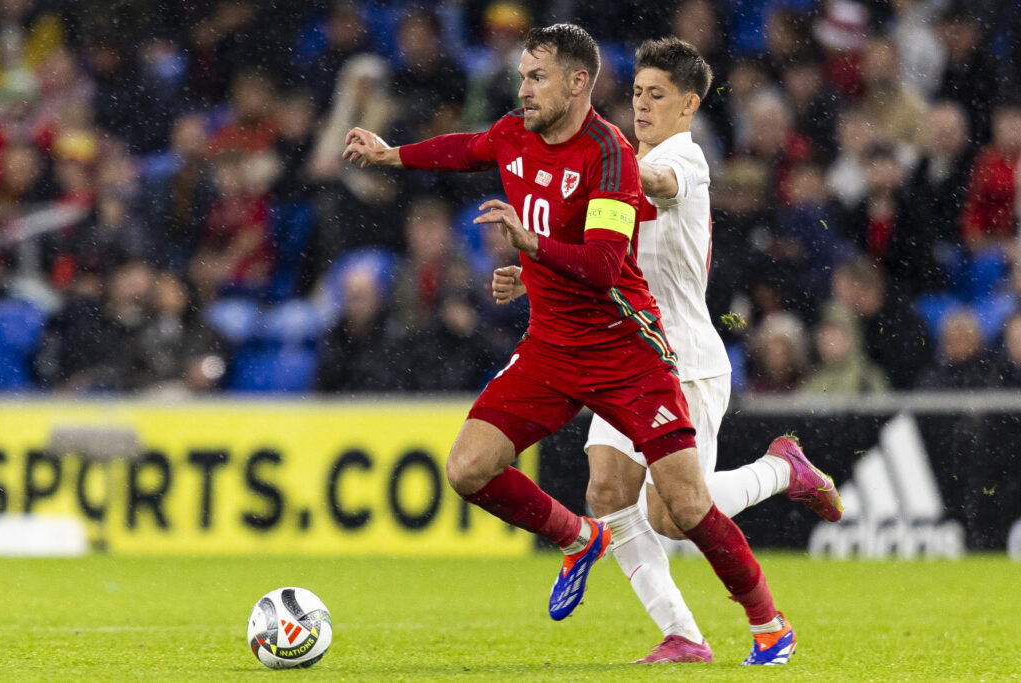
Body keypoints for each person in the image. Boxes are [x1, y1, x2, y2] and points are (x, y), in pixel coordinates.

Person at [345, 23, 794, 665]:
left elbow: (607, 263)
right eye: (522, 77)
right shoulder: (521, 134)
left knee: (684, 509)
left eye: (537, 78)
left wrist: (530, 245)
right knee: (482, 471)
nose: (522, 90)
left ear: (579, 83)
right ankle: (592, 552)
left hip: (634, 354)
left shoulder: (624, 159)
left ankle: (769, 622)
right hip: (552, 351)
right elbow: (470, 148)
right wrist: (393, 155)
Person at [494, 38, 842, 663]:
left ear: (688, 105)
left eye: (657, 95)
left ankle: (781, 470)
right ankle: (682, 634)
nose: (643, 105)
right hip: (624, 358)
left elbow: (651, 180)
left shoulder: (684, 160)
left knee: (673, 514)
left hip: (686, 360)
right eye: (635, 94)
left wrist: (602, 158)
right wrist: (532, 271)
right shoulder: (618, 167)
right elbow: (603, 259)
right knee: (605, 491)